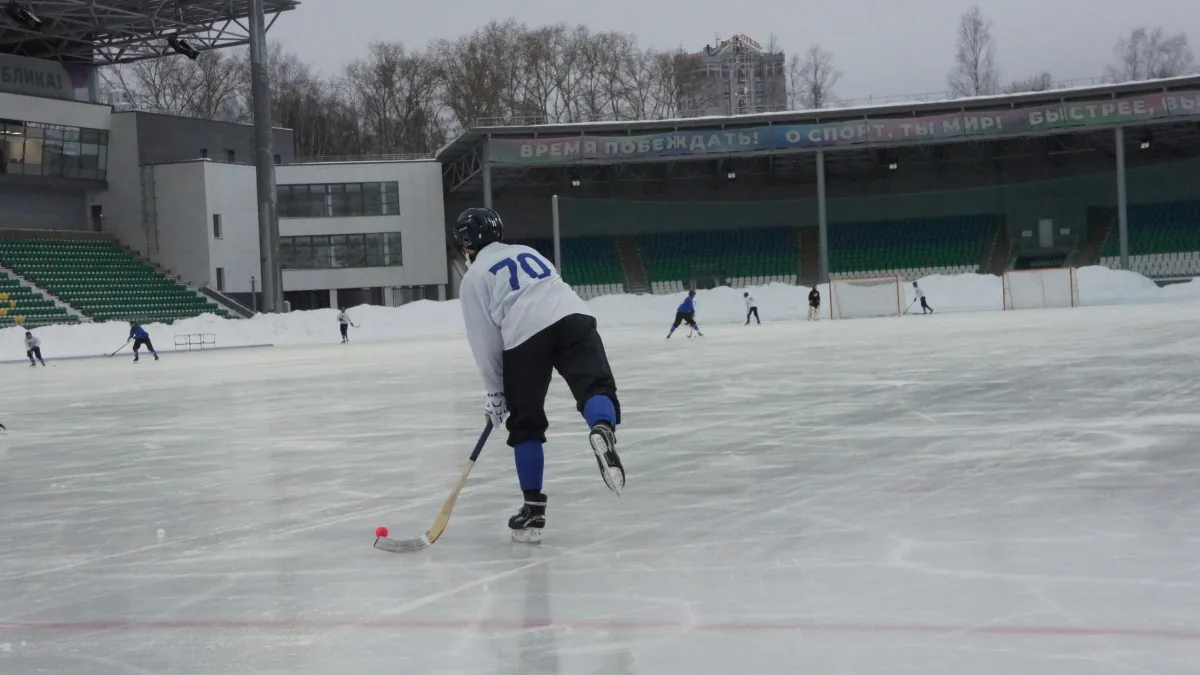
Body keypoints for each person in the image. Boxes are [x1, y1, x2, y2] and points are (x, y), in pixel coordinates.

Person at [454, 207, 624, 544]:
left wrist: (495, 394)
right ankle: (602, 426)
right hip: (574, 314)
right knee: (594, 385)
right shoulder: (527, 252)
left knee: (526, 421)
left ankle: (533, 510)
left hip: (525, 332)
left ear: (467, 243)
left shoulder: (474, 277)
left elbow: (485, 343)